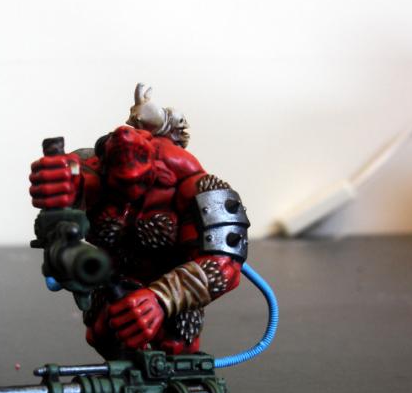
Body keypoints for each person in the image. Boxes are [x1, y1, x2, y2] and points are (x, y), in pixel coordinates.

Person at [29, 87, 249, 358]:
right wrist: (59, 184)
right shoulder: (95, 169)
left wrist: (162, 298)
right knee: (106, 337)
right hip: (112, 282)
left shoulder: (200, 186)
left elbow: (225, 262)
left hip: (174, 291)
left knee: (177, 349)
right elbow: (73, 183)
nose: (130, 191)